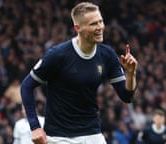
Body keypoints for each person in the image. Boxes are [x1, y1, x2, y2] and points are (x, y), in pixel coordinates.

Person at [20, 2, 138, 144]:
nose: (100, 27)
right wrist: (35, 127)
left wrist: (131, 74)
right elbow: (26, 86)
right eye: (93, 24)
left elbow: (127, 97)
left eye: (100, 21)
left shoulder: (107, 55)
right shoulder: (58, 55)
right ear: (78, 28)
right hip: (60, 137)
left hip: (93, 134)